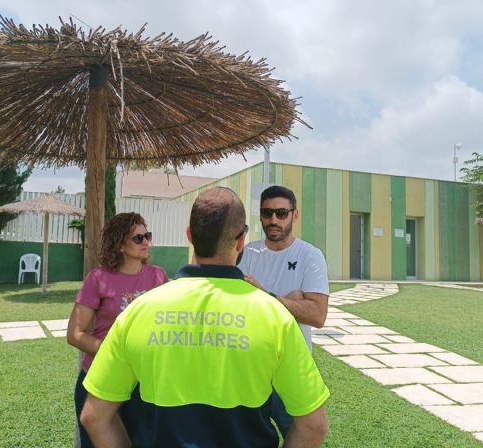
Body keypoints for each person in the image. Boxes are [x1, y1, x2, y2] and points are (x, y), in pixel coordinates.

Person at [80, 187, 329, 448]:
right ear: (241, 240)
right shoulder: (275, 317)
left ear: (190, 235)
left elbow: (94, 417)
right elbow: (314, 426)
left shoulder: (138, 311)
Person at [67, 212, 168, 448]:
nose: (146, 242)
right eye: (138, 238)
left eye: (147, 236)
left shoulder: (158, 276)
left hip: (143, 379)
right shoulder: (98, 279)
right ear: (120, 244)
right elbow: (75, 333)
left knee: (144, 441)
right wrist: (114, 351)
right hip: (100, 376)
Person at [238, 184, 329, 436]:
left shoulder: (310, 255)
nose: (273, 220)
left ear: (294, 215)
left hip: (291, 365)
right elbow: (238, 308)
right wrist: (289, 303)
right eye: (267, 213)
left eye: (281, 213)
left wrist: (265, 296)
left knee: (304, 432)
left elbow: (317, 315)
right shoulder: (246, 253)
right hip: (251, 364)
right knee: (247, 437)